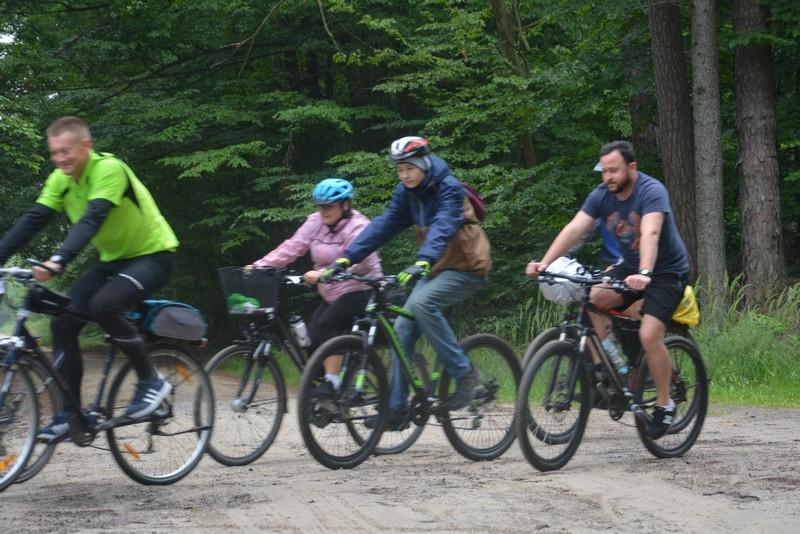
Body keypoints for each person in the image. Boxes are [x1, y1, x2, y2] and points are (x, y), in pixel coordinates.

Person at [0, 116, 180, 442]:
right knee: (62, 322)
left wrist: (58, 261)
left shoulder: (109, 169)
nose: (60, 159)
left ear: (86, 145)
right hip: (112, 261)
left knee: (104, 305)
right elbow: (34, 219)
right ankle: (71, 416)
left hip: (153, 256)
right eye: (54, 153)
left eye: (66, 151)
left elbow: (92, 219)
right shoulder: (60, 179)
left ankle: (150, 381)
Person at [320, 136, 491, 430]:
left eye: (410, 168)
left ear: (424, 163)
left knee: (422, 304)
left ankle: (464, 373)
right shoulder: (406, 193)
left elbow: (443, 226)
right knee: (402, 328)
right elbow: (384, 225)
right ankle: (397, 408)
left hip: (467, 267)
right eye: (400, 170)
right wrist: (346, 259)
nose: (405, 175)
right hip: (436, 268)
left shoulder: (448, 188)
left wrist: (423, 259)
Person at [526, 140, 689, 439]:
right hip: (628, 268)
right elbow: (574, 229)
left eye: (614, 171)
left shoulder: (651, 191)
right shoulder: (602, 195)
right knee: (590, 299)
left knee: (649, 334)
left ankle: (665, 404)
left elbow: (651, 233)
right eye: (604, 171)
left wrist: (645, 272)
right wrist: (545, 263)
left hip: (665, 273)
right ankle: (608, 370)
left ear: (631, 167)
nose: (608, 177)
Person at [250, 177, 383, 397]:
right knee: (312, 338)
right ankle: (327, 389)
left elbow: (360, 262)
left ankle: (332, 382)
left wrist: (322, 274)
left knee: (328, 322)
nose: (323, 211)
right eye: (320, 206)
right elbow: (293, 246)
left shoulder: (359, 226)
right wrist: (260, 266)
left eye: (329, 206)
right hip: (331, 292)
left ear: (345, 205)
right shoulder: (315, 222)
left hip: (362, 288)